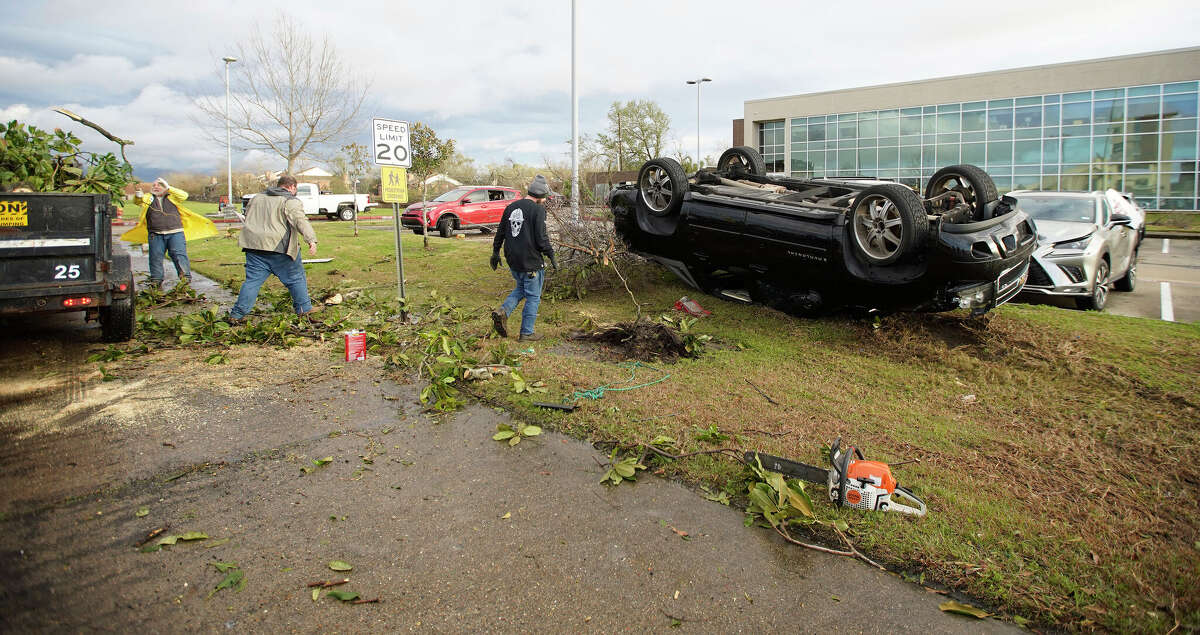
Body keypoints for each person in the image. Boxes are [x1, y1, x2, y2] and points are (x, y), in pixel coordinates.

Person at [227, 174, 319, 323]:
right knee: (295, 278)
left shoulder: (256, 198)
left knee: (252, 282)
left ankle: (236, 315)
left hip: (253, 246)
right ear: (292, 187)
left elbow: (248, 216)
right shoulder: (290, 200)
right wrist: (311, 240)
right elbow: (300, 220)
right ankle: (304, 310)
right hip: (278, 248)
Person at [490, 174, 557, 341]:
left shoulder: (511, 207)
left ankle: (503, 312)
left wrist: (495, 252)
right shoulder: (538, 210)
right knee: (533, 295)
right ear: (541, 196)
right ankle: (527, 332)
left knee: (521, 287)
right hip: (530, 261)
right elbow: (541, 239)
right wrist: (551, 254)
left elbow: (500, 232)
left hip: (513, 259)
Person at [121, 178, 217, 288]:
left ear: (165, 187)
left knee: (179, 256)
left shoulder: (172, 197)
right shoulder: (148, 198)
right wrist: (138, 195)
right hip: (155, 234)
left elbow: (184, 195)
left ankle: (185, 279)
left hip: (175, 233)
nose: (156, 186)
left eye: (159, 185)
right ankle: (156, 281)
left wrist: (168, 188)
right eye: (154, 185)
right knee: (155, 257)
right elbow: (138, 201)